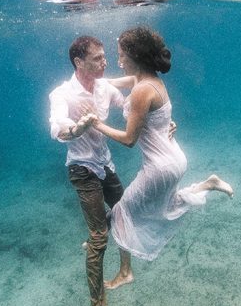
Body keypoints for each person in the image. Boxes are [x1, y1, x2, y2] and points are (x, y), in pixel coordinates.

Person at [88, 26, 233, 265]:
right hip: (174, 157)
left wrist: (97, 124)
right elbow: (115, 81)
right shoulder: (149, 79)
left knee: (123, 210)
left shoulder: (141, 91)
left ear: (134, 56)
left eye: (121, 55)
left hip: (159, 167)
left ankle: (121, 268)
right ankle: (210, 184)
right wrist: (95, 79)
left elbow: (129, 140)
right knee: (169, 203)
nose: (118, 60)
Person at [49, 35, 133, 306]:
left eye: (104, 56)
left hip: (105, 164)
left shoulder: (104, 87)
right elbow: (58, 128)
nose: (105, 62)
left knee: (126, 211)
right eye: (97, 58)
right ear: (79, 62)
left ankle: (124, 271)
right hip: (81, 169)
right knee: (100, 239)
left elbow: (128, 109)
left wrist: (157, 120)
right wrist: (78, 129)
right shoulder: (62, 94)